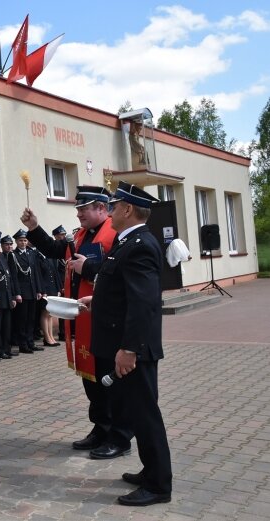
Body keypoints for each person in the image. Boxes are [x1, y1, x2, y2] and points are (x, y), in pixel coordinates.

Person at [22, 186, 132, 460]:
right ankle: (101, 427)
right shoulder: (81, 235)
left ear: (102, 209)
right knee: (91, 378)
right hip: (82, 317)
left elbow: (119, 274)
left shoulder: (115, 235)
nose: (79, 213)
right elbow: (53, 249)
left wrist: (90, 269)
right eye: (78, 209)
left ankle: (119, 436)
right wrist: (34, 228)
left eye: (84, 209)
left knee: (110, 378)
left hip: (105, 319)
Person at [79, 181, 172, 506]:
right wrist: (98, 300)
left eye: (114, 206)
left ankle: (158, 485)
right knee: (137, 412)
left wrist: (130, 348)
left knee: (146, 417)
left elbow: (144, 303)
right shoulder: (129, 241)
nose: (110, 210)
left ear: (128, 209)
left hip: (134, 349)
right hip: (125, 344)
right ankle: (151, 472)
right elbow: (122, 288)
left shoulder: (140, 244)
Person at [9, 229, 43, 354]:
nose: (23, 243)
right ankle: (23, 344)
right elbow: (13, 276)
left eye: (25, 240)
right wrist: (17, 293)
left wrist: (39, 289)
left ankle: (30, 342)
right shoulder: (13, 255)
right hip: (22, 292)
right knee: (22, 319)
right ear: (16, 242)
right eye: (20, 241)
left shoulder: (31, 253)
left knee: (31, 319)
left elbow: (36, 273)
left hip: (32, 290)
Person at [51, 225, 68, 341]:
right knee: (62, 309)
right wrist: (60, 286)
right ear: (55, 237)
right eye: (60, 235)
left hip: (67, 282)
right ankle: (62, 332)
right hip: (60, 284)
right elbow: (55, 271)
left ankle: (69, 331)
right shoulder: (55, 252)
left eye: (64, 235)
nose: (62, 237)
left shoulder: (67, 249)